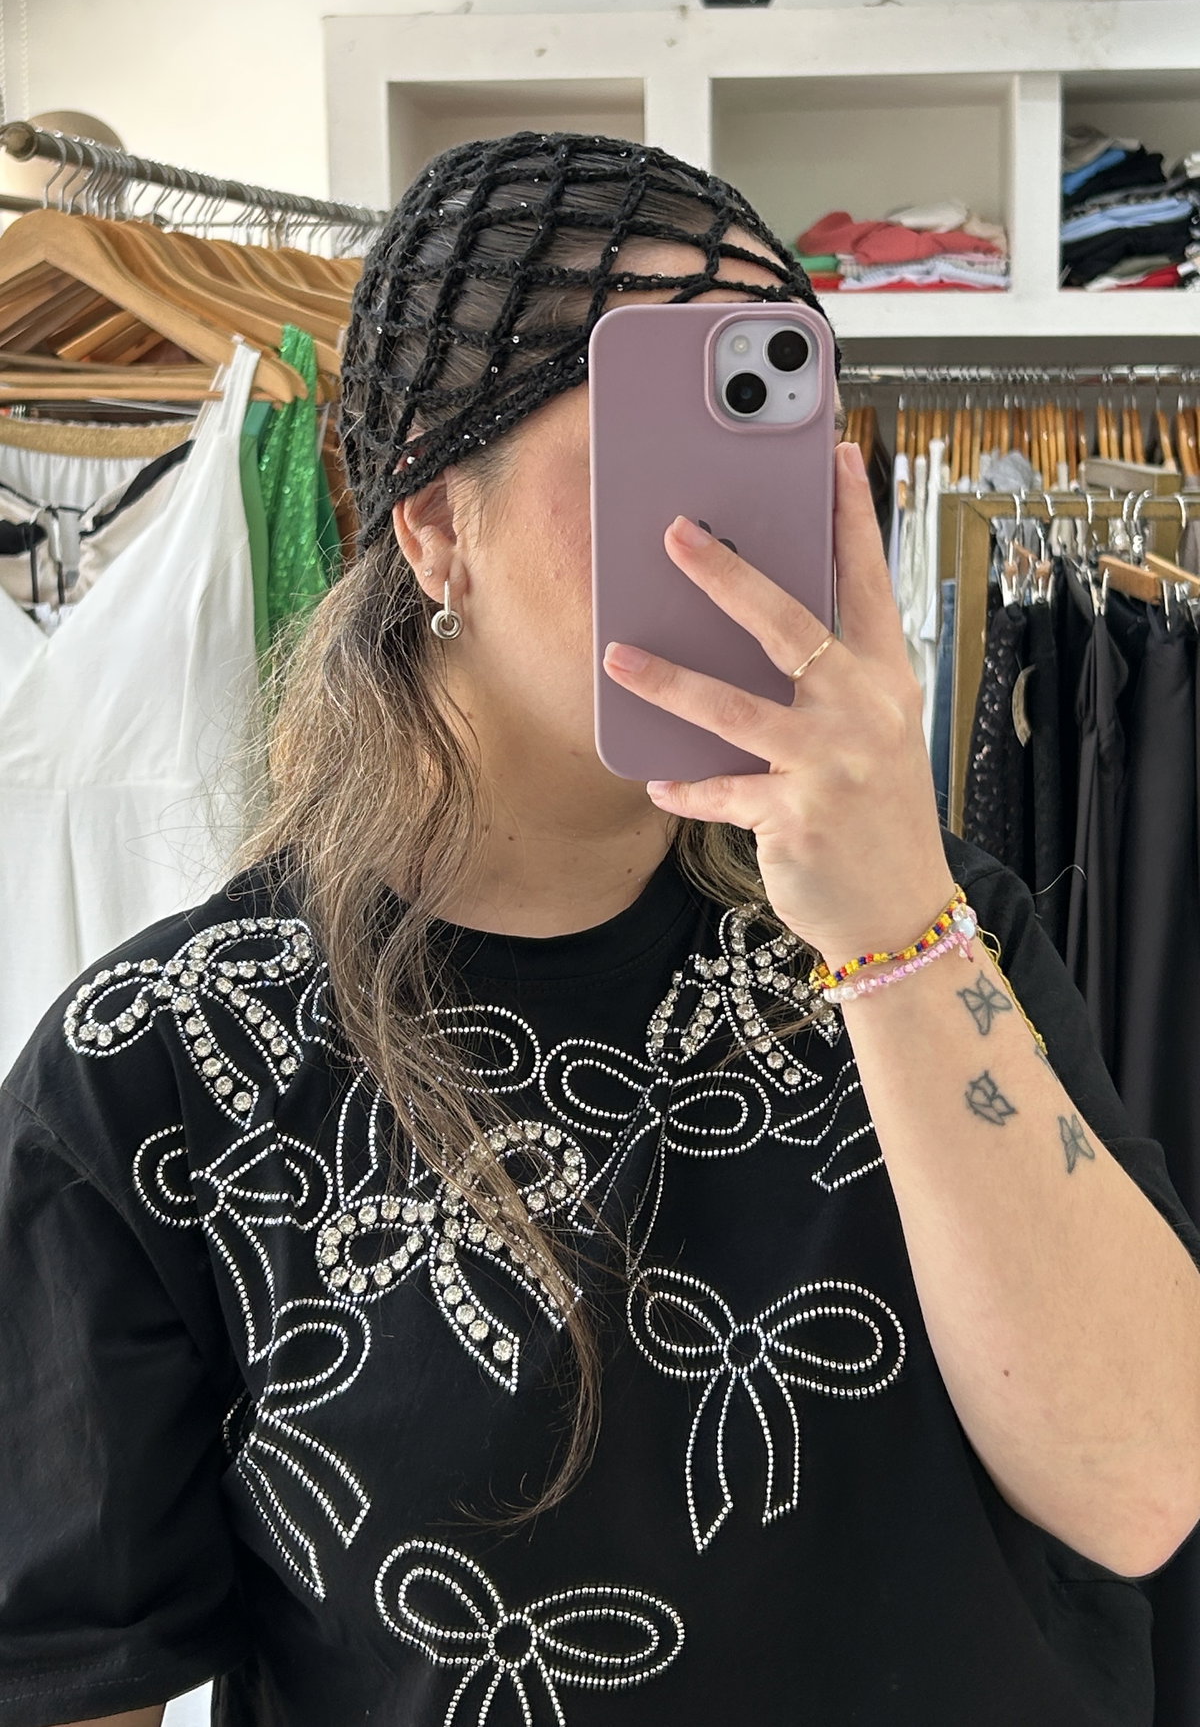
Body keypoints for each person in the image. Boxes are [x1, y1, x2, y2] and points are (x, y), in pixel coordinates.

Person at [2, 132, 1199, 1727]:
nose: (739, 530)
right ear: (434, 523)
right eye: (659, 445)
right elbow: (70, 1676)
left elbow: (1140, 1484)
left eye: (775, 439)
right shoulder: (159, 1071)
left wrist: (898, 929)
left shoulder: (944, 924)